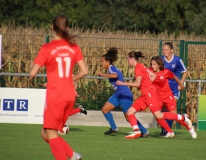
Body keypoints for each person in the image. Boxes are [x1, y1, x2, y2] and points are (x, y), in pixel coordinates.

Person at [29, 14, 88, 160]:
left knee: (51, 134)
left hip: (55, 96)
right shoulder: (74, 47)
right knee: (46, 134)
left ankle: (71, 156)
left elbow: (32, 73)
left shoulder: (47, 48)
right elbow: (85, 71)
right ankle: (73, 155)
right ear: (67, 28)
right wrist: (69, 79)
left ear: (52, 28)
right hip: (69, 96)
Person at [116, 51, 192, 139]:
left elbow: (137, 84)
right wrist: (147, 83)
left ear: (132, 59)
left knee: (159, 115)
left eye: (128, 59)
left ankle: (182, 118)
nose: (127, 61)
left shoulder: (138, 67)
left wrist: (123, 83)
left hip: (149, 94)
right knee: (130, 112)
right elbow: (153, 76)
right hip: (145, 95)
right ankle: (136, 131)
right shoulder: (140, 66)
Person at [98, 47, 149, 137]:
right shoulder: (111, 68)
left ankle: (144, 131)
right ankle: (114, 128)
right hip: (118, 94)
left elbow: (115, 75)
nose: (101, 63)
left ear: (107, 61)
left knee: (128, 116)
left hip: (125, 95)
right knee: (105, 110)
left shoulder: (112, 68)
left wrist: (103, 75)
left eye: (102, 61)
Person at [150, 56, 197, 138]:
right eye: (151, 64)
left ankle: (190, 128)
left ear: (159, 65)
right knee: (157, 115)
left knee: (174, 116)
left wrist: (181, 84)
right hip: (158, 98)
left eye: (154, 64)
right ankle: (169, 131)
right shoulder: (150, 71)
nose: (152, 66)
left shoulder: (166, 72)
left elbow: (175, 77)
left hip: (168, 96)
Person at [160, 42, 188, 136]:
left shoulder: (177, 60)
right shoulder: (161, 60)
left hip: (174, 87)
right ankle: (165, 129)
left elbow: (185, 71)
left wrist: (181, 83)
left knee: (171, 107)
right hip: (164, 88)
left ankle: (167, 130)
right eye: (163, 50)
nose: (165, 51)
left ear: (171, 50)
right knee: (163, 108)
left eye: (166, 50)